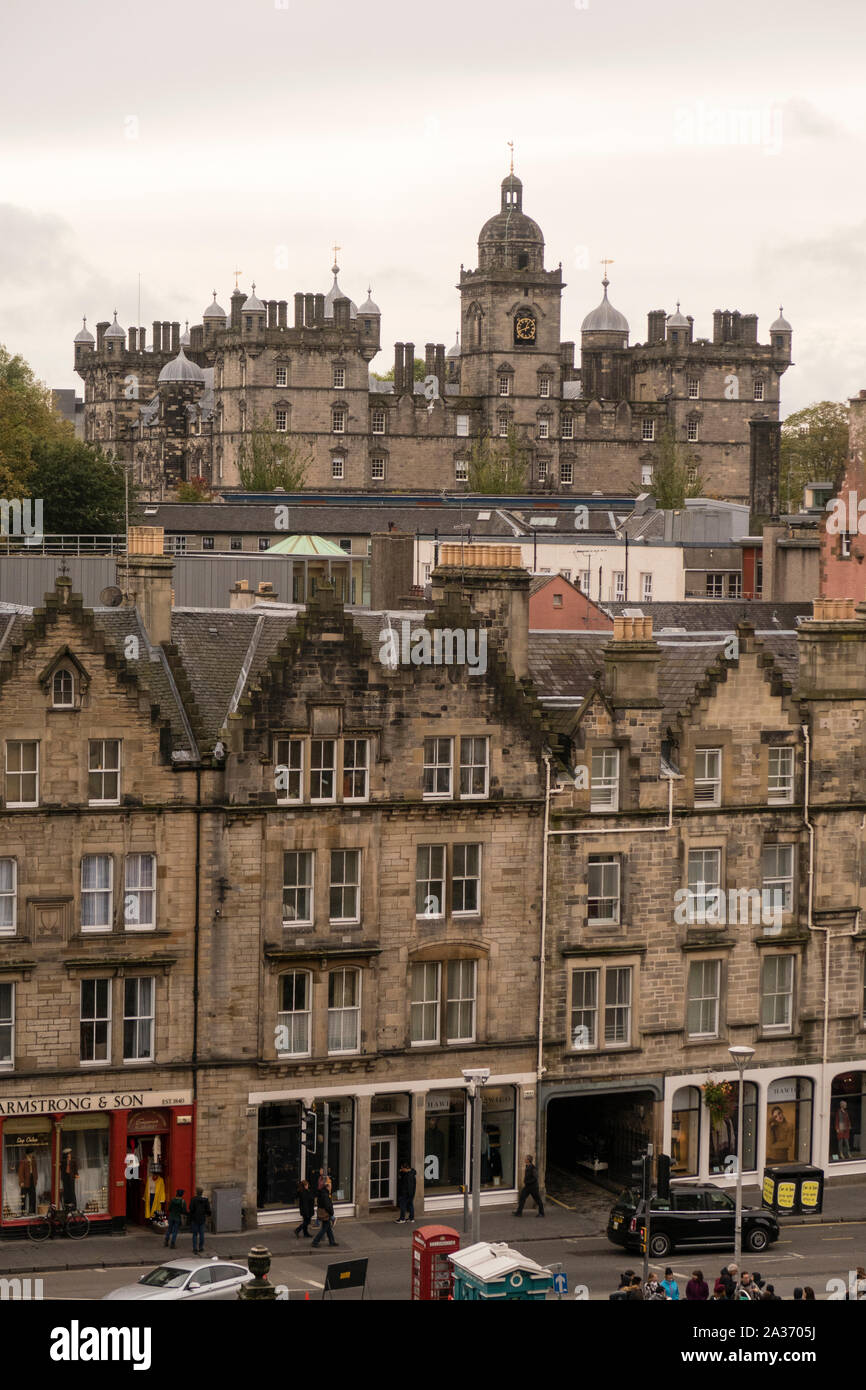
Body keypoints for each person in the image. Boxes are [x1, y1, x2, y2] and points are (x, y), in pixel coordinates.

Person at [311, 1179, 337, 1249]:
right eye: (330, 1186)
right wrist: (331, 1212)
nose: (331, 1187)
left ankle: (332, 1241)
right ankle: (315, 1241)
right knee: (324, 1228)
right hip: (325, 1213)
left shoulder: (323, 1192)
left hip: (322, 1212)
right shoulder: (325, 1194)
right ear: (327, 1186)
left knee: (328, 1228)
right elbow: (327, 1205)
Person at [188, 1187, 211, 1254]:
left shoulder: (193, 1199)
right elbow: (208, 1210)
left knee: (195, 1234)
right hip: (202, 1219)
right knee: (202, 1234)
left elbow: (191, 1208)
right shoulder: (205, 1200)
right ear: (202, 1192)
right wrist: (207, 1215)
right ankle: (201, 1247)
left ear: (196, 1192)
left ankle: (195, 1248)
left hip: (195, 1219)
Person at [18, 1148, 38, 1215]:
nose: (32, 1154)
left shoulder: (33, 1159)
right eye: (31, 1153)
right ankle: (23, 1212)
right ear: (28, 1154)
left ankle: (32, 1211)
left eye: (32, 1153)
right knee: (23, 1197)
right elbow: (20, 1172)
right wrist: (21, 1181)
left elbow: (35, 1170)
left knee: (32, 1196)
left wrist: (36, 1179)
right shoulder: (23, 1160)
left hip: (32, 1179)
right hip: (25, 1181)